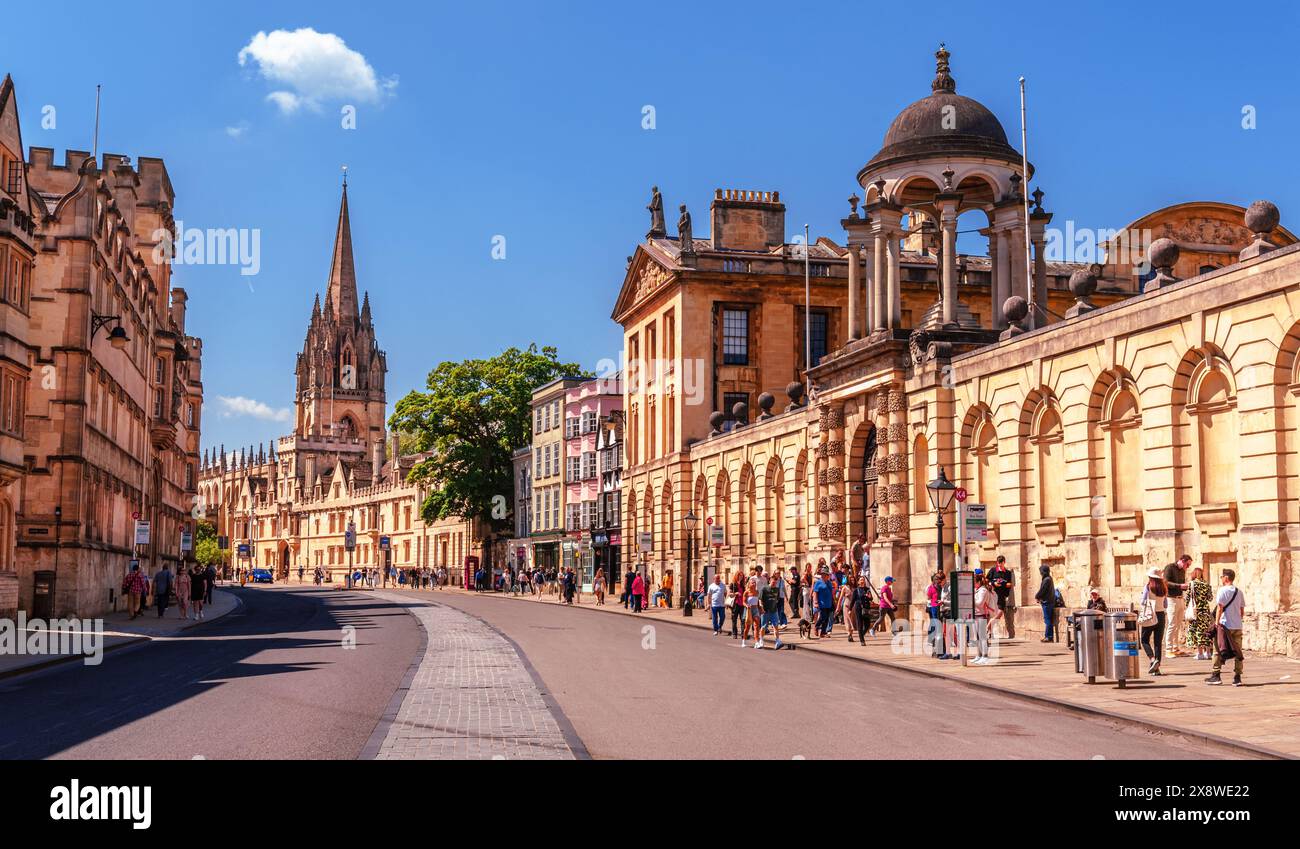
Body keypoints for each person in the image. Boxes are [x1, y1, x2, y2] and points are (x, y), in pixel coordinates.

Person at [1206, 569, 1245, 686]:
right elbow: (1241, 611)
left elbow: (1219, 608)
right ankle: (1237, 677)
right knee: (1238, 652)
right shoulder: (1239, 592)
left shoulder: (1222, 590)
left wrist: (1217, 623)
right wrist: (1237, 619)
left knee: (1217, 650)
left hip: (1225, 625)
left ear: (1226, 578)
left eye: (1222, 576)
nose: (1221, 579)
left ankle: (1216, 675)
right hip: (1237, 626)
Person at [1138, 567, 1168, 675]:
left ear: (1150, 577)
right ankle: (1157, 666)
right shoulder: (1164, 588)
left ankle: (1152, 659)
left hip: (1150, 614)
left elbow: (1142, 602)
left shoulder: (1148, 587)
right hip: (1161, 615)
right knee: (1158, 642)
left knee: (1144, 640)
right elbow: (1166, 604)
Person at [1163, 554, 1192, 658]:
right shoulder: (1169, 567)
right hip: (1171, 599)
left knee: (1178, 624)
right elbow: (1165, 582)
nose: (1187, 567)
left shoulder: (1182, 571)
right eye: (1187, 565)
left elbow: (1181, 585)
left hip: (1180, 598)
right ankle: (1168, 649)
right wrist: (1179, 586)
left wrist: (1186, 586)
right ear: (1182, 561)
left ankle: (1175, 648)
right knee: (1171, 624)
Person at [1185, 564, 1214, 660]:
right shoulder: (1206, 584)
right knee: (1206, 631)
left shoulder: (1192, 584)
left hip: (1195, 611)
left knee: (1197, 631)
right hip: (1205, 610)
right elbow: (1210, 598)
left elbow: (1188, 598)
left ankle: (1200, 653)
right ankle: (1208, 653)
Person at [972, 571, 998, 663]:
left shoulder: (983, 590)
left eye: (974, 582)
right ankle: (979, 655)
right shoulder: (977, 590)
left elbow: (980, 603)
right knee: (977, 637)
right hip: (976, 615)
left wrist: (971, 599)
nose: (973, 584)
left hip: (982, 615)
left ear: (978, 582)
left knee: (982, 637)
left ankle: (985, 655)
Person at [988, 555, 1015, 639]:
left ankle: (988, 626)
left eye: (1001, 563)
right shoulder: (993, 570)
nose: (999, 565)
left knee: (999, 613)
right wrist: (993, 583)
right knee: (992, 614)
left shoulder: (1007, 573)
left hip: (1002, 595)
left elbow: (1010, 584)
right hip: (993, 596)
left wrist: (1005, 584)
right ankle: (990, 632)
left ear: (1004, 562)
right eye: (998, 563)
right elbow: (987, 580)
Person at [758, 572, 783, 649]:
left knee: (775, 626)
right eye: (773, 582)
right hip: (765, 611)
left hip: (774, 611)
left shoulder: (777, 589)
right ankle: (761, 641)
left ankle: (777, 641)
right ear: (770, 581)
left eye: (775, 583)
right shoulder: (764, 589)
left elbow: (777, 599)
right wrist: (761, 608)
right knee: (763, 627)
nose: (774, 584)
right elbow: (760, 600)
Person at [1033, 564, 1056, 643]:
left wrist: (1037, 596)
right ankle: (1049, 636)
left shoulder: (1046, 580)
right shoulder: (1049, 578)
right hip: (1049, 601)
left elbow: (1042, 590)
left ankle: (1048, 637)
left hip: (1047, 602)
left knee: (1047, 620)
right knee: (1048, 619)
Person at [927, 573, 947, 657]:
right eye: (936, 580)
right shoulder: (931, 588)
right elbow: (929, 597)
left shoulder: (942, 588)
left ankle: (939, 650)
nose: (937, 582)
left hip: (941, 608)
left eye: (938, 580)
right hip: (934, 607)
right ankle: (937, 649)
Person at [850, 576, 873, 645]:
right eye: (861, 580)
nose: (862, 581)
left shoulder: (867, 589)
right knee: (860, 624)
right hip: (859, 608)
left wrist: (870, 597)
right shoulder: (856, 590)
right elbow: (853, 600)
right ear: (858, 582)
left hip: (866, 608)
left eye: (863, 580)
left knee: (867, 624)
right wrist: (850, 609)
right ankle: (862, 641)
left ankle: (861, 635)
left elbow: (871, 599)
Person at [812, 568, 835, 639]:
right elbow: (815, 592)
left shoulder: (829, 583)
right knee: (822, 616)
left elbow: (831, 592)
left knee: (827, 618)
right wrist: (815, 602)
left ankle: (823, 632)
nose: (824, 576)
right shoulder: (818, 582)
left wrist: (833, 601)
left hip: (829, 603)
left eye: (826, 575)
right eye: (823, 575)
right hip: (822, 603)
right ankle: (816, 627)